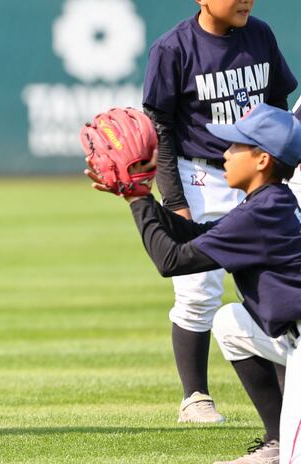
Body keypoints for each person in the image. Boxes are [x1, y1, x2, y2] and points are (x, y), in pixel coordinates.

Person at [142, 0, 296, 423]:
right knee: (198, 291)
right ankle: (195, 396)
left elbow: (278, 107)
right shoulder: (174, 48)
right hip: (202, 174)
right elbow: (161, 127)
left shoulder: (260, 35)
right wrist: (174, 199)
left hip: (261, 171)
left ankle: (288, 390)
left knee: (271, 279)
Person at [98, 103, 301, 464]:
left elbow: (171, 261)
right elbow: (195, 233)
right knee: (230, 323)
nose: (225, 153)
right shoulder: (269, 203)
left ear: (262, 160)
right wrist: (142, 194)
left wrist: (137, 198)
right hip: (291, 337)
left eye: (237, 146)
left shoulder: (262, 213)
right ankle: (276, 440)